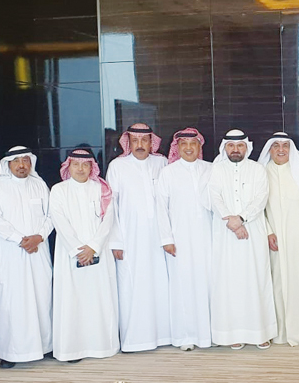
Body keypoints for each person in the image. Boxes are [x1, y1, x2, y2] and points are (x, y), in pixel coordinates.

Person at [0, 146, 54, 368]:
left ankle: (45, 346)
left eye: (26, 160)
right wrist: (20, 239)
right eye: (17, 161)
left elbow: (51, 215)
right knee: (11, 302)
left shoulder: (39, 185)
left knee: (41, 298)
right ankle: (10, 353)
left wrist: (39, 237)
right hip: (9, 254)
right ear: (8, 164)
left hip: (38, 252)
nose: (22, 165)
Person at [49, 148, 121, 362]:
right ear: (68, 166)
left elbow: (109, 220)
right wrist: (79, 250)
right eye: (76, 164)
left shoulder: (102, 190)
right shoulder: (58, 190)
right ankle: (72, 349)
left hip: (99, 253)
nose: (80, 169)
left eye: (85, 164)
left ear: (92, 167)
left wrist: (94, 247)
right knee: (72, 301)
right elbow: (59, 221)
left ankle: (102, 346)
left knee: (99, 299)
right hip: (70, 255)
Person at [207, 129, 277, 349]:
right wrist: (232, 222)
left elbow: (261, 198)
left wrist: (241, 218)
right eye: (231, 146)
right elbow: (214, 197)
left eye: (239, 146)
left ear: (247, 147)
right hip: (225, 233)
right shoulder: (216, 170)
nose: (235, 150)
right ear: (224, 147)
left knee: (255, 280)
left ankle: (260, 332)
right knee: (228, 283)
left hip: (253, 231)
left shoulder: (257, 170)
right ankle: (231, 334)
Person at [106, 123, 171, 352]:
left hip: (159, 238)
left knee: (160, 284)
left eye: (144, 141)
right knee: (132, 286)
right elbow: (110, 206)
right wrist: (115, 241)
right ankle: (135, 339)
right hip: (129, 239)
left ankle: (163, 336)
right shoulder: (117, 166)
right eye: (135, 141)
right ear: (128, 143)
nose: (140, 145)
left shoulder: (161, 163)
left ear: (151, 142)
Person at [258, 131, 299, 346]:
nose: (281, 150)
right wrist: (267, 232)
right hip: (274, 239)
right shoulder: (262, 173)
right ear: (270, 150)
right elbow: (258, 209)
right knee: (276, 285)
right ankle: (280, 333)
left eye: (285, 145)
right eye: (275, 146)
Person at [156, 128, 214, 351]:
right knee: (183, 286)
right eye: (183, 144)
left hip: (208, 236)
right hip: (179, 239)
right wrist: (167, 238)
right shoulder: (168, 173)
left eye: (193, 143)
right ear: (177, 148)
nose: (188, 148)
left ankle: (209, 333)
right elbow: (161, 208)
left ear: (200, 146)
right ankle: (186, 336)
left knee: (208, 283)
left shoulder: (211, 169)